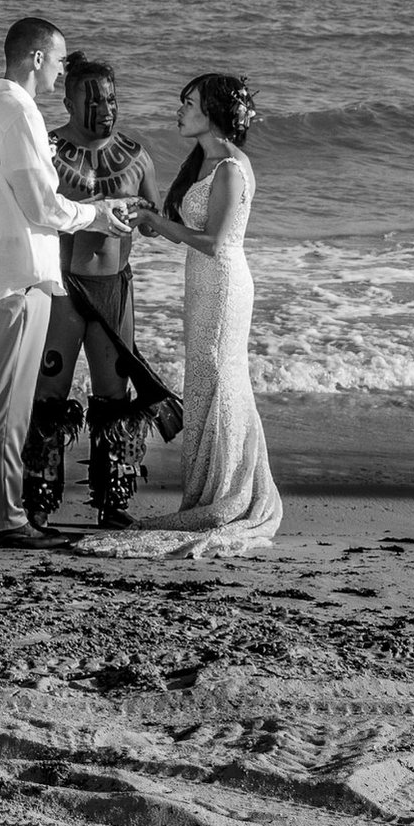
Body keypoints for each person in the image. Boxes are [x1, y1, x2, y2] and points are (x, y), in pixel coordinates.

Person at [82, 74, 282, 558]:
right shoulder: (205, 162)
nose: (179, 111)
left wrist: (159, 222)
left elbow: (214, 243)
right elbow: (184, 231)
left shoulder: (231, 168)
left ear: (211, 112)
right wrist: (148, 219)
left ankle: (228, 494)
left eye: (188, 104)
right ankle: (209, 489)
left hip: (224, 284)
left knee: (219, 378)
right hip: (201, 283)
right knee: (204, 380)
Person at [0, 17, 132, 548]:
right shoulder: (19, 115)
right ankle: (3, 518)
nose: (60, 70)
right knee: (10, 403)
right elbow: (42, 206)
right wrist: (96, 214)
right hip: (21, 273)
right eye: (57, 59)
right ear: (34, 58)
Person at [24, 52, 160, 532]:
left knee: (114, 395)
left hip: (114, 289)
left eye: (111, 97)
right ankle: (37, 501)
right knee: (49, 393)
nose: (105, 107)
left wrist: (147, 214)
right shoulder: (47, 149)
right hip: (62, 288)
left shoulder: (137, 156)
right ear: (67, 98)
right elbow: (30, 208)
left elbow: (156, 224)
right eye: (93, 98)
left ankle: (113, 501)